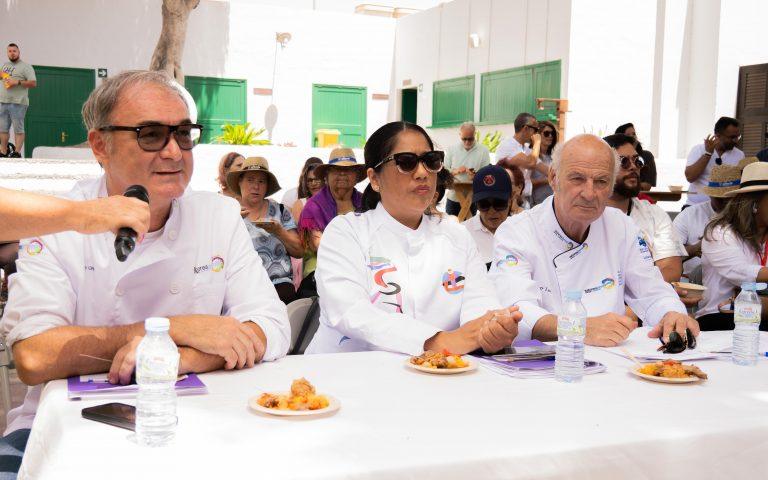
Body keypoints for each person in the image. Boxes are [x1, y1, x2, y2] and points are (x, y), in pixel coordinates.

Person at [0, 71, 290, 470]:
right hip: (59, 429)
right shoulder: (63, 223)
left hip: (198, 420)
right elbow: (34, 356)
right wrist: (176, 329)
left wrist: (180, 357)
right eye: (151, 134)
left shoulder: (218, 216)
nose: (174, 151)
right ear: (100, 145)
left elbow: (271, 325)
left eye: (184, 134)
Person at [305, 121, 521, 355]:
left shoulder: (455, 235)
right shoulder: (346, 232)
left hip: (439, 379)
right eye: (406, 163)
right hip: (348, 377)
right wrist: (437, 342)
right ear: (375, 179)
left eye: (431, 161)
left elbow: (479, 301)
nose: (422, 173)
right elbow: (351, 312)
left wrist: (492, 329)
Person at [489, 134, 699, 346]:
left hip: (613, 360)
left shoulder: (622, 227)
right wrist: (578, 327)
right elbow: (518, 311)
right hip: (542, 364)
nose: (589, 194)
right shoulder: (517, 232)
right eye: (577, 179)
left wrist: (672, 313)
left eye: (601, 181)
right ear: (553, 178)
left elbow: (652, 290)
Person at [604, 134, 686, 283]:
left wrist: (635, 298)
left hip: (644, 301)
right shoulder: (588, 214)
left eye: (637, 161)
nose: (634, 166)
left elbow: (671, 268)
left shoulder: (654, 214)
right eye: (624, 162)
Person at [700, 162, 768, 331]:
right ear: (754, 204)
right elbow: (741, 273)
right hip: (719, 320)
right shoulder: (719, 233)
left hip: (759, 316)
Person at [227, 156, 303, 304]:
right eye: (250, 180)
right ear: (240, 182)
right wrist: (232, 221)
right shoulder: (229, 211)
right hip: (241, 285)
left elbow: (299, 250)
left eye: (261, 181)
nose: (256, 186)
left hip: (279, 285)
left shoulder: (280, 211)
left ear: (267, 186)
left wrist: (278, 231)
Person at [297, 147, 365, 298]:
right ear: (327, 175)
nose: (342, 174)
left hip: (362, 271)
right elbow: (319, 245)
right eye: (335, 170)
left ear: (356, 176)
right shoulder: (313, 206)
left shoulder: (366, 203)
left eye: (348, 170)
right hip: (321, 273)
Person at [673, 159, 754, 284]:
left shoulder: (748, 218)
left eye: (729, 198)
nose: (725, 203)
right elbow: (669, 256)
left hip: (737, 284)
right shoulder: (689, 215)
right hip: (690, 283)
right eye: (719, 199)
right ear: (710, 195)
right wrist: (696, 248)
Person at [462, 165, 514, 269]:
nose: (492, 211)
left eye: (499, 203)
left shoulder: (521, 230)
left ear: (510, 199)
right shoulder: (462, 233)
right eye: (484, 204)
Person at [685, 117, 745, 206]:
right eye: (732, 137)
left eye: (737, 137)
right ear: (718, 136)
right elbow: (690, 177)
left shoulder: (740, 155)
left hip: (725, 210)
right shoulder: (698, 149)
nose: (735, 141)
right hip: (695, 206)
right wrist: (708, 153)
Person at [495, 113, 546, 205]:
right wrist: (537, 142)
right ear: (526, 128)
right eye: (536, 129)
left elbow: (547, 170)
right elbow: (531, 163)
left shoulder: (526, 150)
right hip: (509, 200)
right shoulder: (508, 145)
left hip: (522, 200)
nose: (537, 134)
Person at [443, 122, 491, 216]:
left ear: (475, 135)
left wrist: (476, 176)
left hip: (472, 198)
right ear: (460, 135)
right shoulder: (451, 149)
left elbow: (487, 175)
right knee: (451, 229)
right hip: (453, 197)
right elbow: (444, 172)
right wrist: (455, 171)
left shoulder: (483, 150)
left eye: (470, 139)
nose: (467, 142)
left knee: (470, 229)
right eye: (464, 139)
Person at [0, 44, 36, 158]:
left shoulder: (26, 67)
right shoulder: (5, 66)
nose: (12, 53)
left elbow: (33, 83)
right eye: (9, 51)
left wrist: (17, 82)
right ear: (7, 53)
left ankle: (17, 152)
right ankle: (3, 151)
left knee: (18, 129)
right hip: (3, 101)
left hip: (18, 103)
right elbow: (2, 77)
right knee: (3, 128)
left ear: (18, 52)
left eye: (14, 51)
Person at [615, 122, 657, 191]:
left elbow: (647, 185)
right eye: (628, 135)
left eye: (634, 134)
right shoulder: (614, 156)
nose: (633, 137)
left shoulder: (647, 155)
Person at [531, 120, 557, 206]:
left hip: (552, 203)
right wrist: (546, 180)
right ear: (538, 135)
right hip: (535, 205)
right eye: (546, 133)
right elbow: (525, 183)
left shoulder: (554, 156)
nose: (550, 136)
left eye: (552, 133)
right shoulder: (530, 156)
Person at [291, 157, 324, 222]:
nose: (313, 183)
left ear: (325, 180)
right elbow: (301, 231)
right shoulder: (300, 205)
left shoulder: (334, 202)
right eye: (310, 180)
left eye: (317, 179)